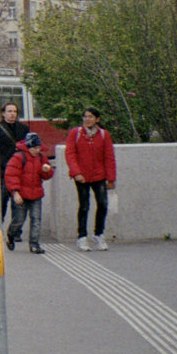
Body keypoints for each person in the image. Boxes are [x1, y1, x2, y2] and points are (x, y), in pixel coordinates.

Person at [66, 107, 117, 251]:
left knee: (102, 204)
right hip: (81, 176)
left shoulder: (103, 134)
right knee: (84, 206)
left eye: (91, 117)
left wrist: (111, 178)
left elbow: (109, 156)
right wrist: (76, 172)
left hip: (99, 175)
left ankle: (98, 233)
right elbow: (70, 154)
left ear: (97, 119)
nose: (87, 119)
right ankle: (82, 236)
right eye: (85, 116)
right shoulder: (75, 133)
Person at [4, 132, 54, 254]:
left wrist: (47, 171)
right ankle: (11, 234)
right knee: (19, 220)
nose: (37, 150)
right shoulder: (19, 157)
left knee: (36, 219)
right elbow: (11, 175)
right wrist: (15, 192)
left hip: (36, 193)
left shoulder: (42, 158)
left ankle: (34, 244)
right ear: (29, 147)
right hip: (21, 194)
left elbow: (46, 176)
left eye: (38, 148)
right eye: (34, 148)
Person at [0, 102, 31, 221]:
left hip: (19, 170)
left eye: (15, 112)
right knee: (1, 201)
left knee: (18, 204)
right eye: (9, 111)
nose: (12, 114)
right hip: (3, 170)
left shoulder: (24, 128)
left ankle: (15, 233)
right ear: (3, 113)